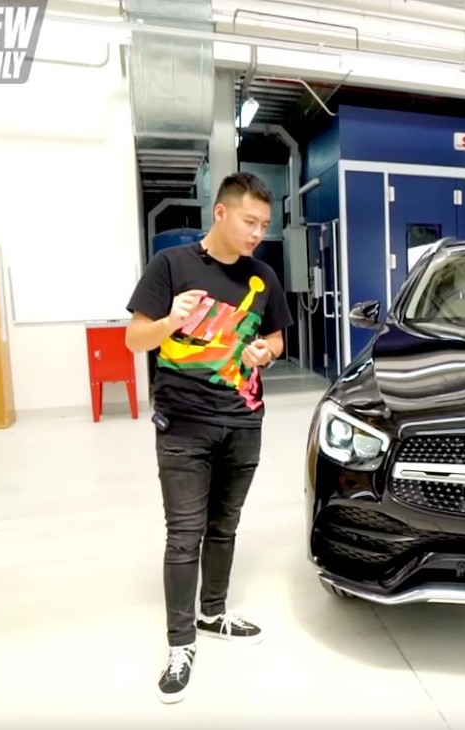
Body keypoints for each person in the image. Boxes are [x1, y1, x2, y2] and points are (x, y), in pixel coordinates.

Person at [124, 171, 294, 704]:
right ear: (220, 213)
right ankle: (180, 644)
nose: (257, 234)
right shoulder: (171, 265)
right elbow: (134, 339)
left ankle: (213, 612)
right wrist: (169, 321)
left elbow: (277, 338)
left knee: (225, 525)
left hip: (244, 421)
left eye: (264, 225)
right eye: (249, 222)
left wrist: (266, 352)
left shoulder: (262, 276)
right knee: (185, 533)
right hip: (184, 423)